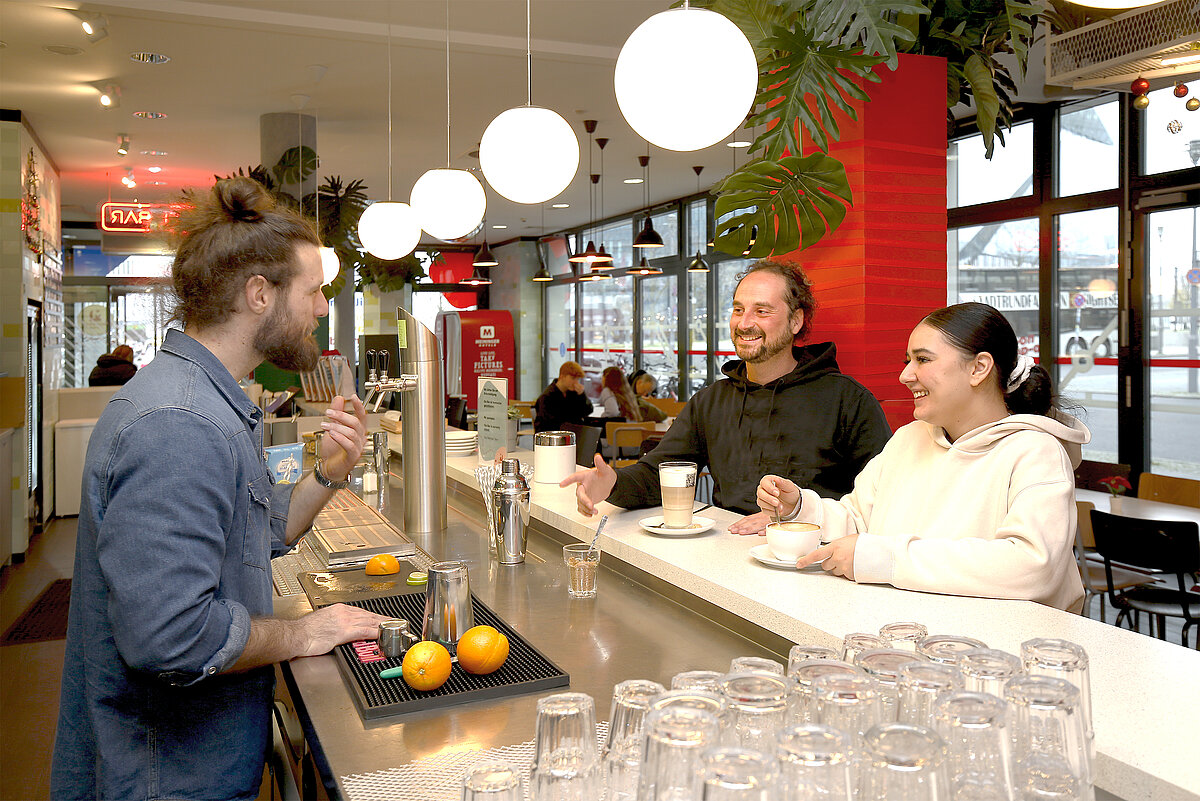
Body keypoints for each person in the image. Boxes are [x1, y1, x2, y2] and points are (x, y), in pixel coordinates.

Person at [50, 178, 390, 801]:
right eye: (313, 292)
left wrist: (329, 474)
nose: (321, 308)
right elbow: (173, 637)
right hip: (167, 778)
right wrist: (303, 633)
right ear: (259, 294)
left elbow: (256, 535)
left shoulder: (205, 402)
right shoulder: (179, 426)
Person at [757, 302, 1089, 612]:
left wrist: (884, 559)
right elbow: (859, 520)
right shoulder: (909, 439)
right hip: (903, 636)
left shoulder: (1036, 452)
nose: (905, 375)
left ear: (979, 368)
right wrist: (801, 507)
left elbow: (1032, 565)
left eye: (923, 360)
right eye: (908, 361)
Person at [563, 259, 891, 532]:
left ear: (796, 321)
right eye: (738, 309)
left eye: (762, 311)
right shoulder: (711, 401)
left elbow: (882, 499)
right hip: (725, 553)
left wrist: (797, 518)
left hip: (814, 563)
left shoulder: (848, 400)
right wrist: (613, 483)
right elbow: (659, 474)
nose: (744, 323)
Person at [534, 360, 593, 432]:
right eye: (573, 378)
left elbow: (588, 411)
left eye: (578, 379)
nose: (576, 382)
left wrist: (582, 395)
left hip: (571, 433)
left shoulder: (573, 393)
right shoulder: (547, 397)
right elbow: (553, 422)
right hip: (552, 436)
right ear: (562, 377)